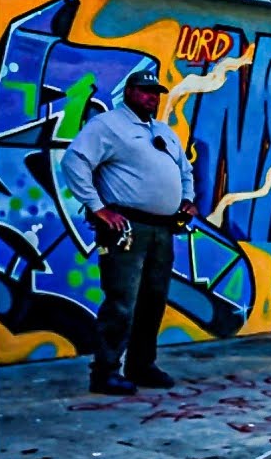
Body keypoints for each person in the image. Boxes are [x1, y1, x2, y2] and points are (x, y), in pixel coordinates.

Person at [61, 70, 198, 395]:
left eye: (157, 92)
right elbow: (74, 161)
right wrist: (97, 207)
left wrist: (188, 200)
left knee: (154, 300)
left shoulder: (163, 131)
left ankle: (141, 365)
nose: (153, 96)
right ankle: (105, 371)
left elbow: (185, 170)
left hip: (163, 230)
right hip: (126, 228)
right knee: (122, 301)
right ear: (130, 92)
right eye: (146, 91)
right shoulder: (108, 126)